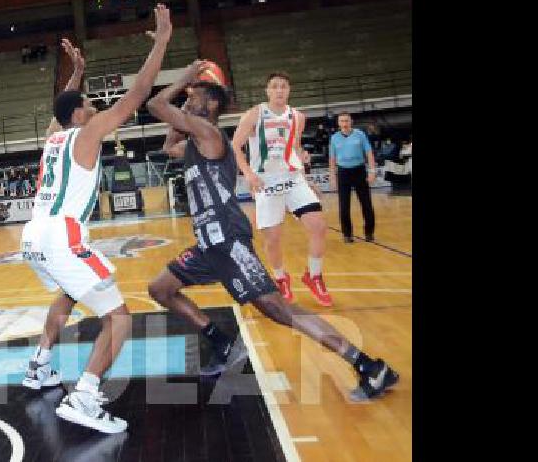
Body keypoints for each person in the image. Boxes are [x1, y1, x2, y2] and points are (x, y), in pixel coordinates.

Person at [144, 62, 400, 403]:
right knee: (161, 288)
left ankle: (368, 366)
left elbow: (156, 106)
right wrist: (189, 97)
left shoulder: (210, 135)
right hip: (208, 245)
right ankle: (222, 344)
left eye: (195, 99)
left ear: (212, 105)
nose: (188, 102)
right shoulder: (192, 144)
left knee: (279, 310)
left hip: (229, 241)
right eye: (187, 101)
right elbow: (168, 145)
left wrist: (184, 78)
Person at [20, 6, 171, 435]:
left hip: (33, 236)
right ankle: (85, 395)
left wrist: (77, 72)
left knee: (68, 295)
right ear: (82, 116)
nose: (95, 107)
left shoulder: (54, 135)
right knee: (119, 316)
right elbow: (137, 95)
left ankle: (39, 366)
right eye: (90, 104)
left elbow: (62, 106)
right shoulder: (87, 133)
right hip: (63, 235)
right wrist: (160, 42)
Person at [231, 71, 332, 306]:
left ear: (289, 90)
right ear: (267, 90)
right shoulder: (254, 114)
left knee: (318, 226)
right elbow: (235, 147)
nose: (279, 90)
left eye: (283, 86)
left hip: (293, 178)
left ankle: (314, 276)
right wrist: (248, 174)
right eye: (274, 86)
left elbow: (295, 147)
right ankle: (281, 278)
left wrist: (305, 168)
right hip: (266, 182)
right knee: (273, 239)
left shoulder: (298, 116)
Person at [329, 112, 377, 243]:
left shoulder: (360, 134)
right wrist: (332, 176)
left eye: (346, 121)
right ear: (338, 123)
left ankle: (369, 233)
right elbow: (332, 159)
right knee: (344, 206)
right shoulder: (334, 138)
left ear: (351, 122)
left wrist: (372, 171)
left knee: (366, 204)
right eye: (342, 121)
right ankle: (347, 234)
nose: (344, 124)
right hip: (343, 173)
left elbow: (369, 153)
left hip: (359, 171)